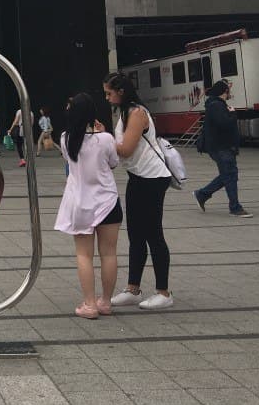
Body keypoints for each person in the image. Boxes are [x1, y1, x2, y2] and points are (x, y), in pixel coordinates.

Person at [98, 72, 174, 310]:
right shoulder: (124, 112)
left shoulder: (137, 113)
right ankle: (133, 288)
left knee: (153, 234)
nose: (108, 98)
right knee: (135, 234)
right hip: (137, 177)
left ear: (121, 91)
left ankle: (164, 292)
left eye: (109, 93)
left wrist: (103, 138)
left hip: (153, 178)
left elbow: (127, 149)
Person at [55, 93, 121, 319]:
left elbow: (70, 161)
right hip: (108, 201)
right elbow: (113, 163)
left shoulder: (65, 139)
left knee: (84, 255)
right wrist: (102, 133)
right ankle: (106, 302)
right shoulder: (105, 139)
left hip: (81, 203)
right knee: (109, 254)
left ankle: (89, 304)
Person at [195, 80, 252, 217]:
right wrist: (232, 114)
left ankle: (202, 194)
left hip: (221, 146)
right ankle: (235, 207)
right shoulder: (216, 106)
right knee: (230, 175)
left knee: (229, 175)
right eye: (228, 91)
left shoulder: (216, 105)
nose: (229, 93)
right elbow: (224, 124)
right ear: (224, 92)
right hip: (221, 147)